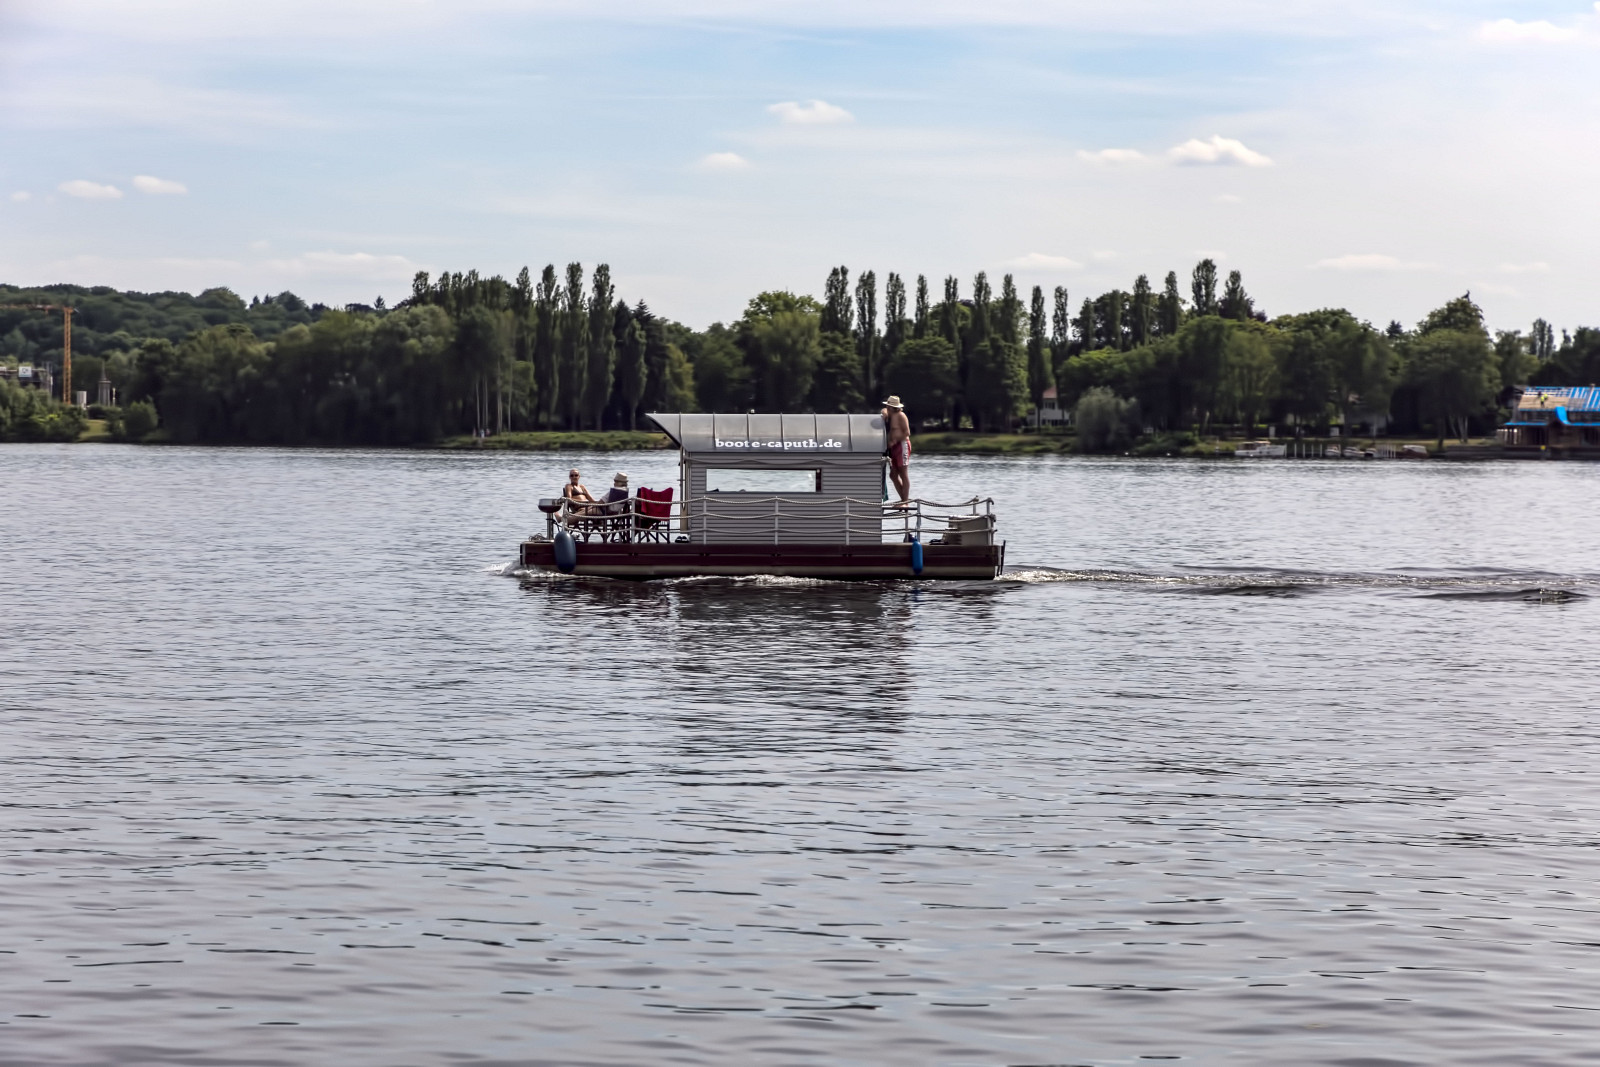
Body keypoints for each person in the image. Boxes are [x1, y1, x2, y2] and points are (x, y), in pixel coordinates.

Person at [882, 395, 912, 507]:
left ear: (892, 407)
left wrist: (894, 441)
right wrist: (884, 413)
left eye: (888, 406)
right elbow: (883, 411)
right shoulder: (890, 415)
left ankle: (905, 502)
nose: (887, 408)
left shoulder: (900, 415)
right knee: (893, 475)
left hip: (902, 445)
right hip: (893, 447)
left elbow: (907, 432)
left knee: (903, 473)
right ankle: (903, 500)